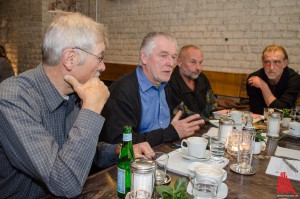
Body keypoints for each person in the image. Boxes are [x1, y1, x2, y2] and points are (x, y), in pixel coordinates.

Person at [0, 12, 154, 198]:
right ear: (70, 59)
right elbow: (64, 182)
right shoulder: (13, 98)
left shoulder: (74, 93)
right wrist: (91, 109)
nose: (103, 67)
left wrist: (118, 151)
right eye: (99, 57)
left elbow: (77, 150)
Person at [100, 32, 204, 147]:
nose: (170, 63)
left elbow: (174, 127)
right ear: (144, 57)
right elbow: (119, 143)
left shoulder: (167, 85)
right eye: (163, 56)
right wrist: (169, 133)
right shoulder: (123, 90)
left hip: (166, 152)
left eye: (173, 57)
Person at [166, 45, 248, 121]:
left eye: (200, 62)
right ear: (180, 62)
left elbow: (213, 105)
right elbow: (179, 117)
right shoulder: (170, 84)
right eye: (193, 62)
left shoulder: (202, 78)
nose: (198, 68)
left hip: (207, 127)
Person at [247, 44, 300, 115]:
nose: (271, 67)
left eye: (276, 62)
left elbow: (282, 112)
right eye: (267, 62)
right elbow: (256, 111)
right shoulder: (254, 78)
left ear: (285, 63)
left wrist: (263, 86)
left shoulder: (293, 79)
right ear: (262, 63)